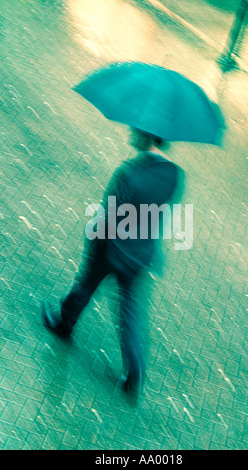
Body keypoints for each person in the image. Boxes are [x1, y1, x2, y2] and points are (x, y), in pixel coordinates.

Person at [42, 128, 184, 395]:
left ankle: (64, 325)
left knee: (85, 286)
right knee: (130, 313)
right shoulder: (175, 175)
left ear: (146, 135)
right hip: (141, 254)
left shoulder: (129, 173)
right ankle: (135, 374)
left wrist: (93, 233)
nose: (131, 132)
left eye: (135, 129)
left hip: (111, 248)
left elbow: (109, 215)